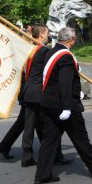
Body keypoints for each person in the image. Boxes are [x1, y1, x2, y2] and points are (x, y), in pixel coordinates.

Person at [34, 27, 92, 184]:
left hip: (49, 103)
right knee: (80, 138)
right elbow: (64, 83)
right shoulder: (65, 57)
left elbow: (57, 79)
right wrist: (67, 106)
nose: (75, 41)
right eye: (75, 39)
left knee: (49, 141)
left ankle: (42, 175)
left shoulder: (51, 52)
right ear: (71, 40)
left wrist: (76, 89)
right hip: (64, 106)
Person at [21, 24, 72, 167]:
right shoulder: (44, 51)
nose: (48, 35)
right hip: (39, 93)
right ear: (42, 34)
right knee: (53, 125)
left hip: (28, 92)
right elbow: (52, 70)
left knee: (30, 126)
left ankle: (27, 157)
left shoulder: (30, 49)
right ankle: (56, 155)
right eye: (47, 32)